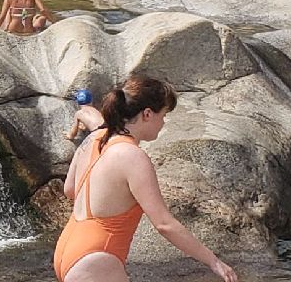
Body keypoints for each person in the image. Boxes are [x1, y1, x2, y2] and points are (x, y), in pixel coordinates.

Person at [54, 75, 238, 282]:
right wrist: (214, 262)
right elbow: (163, 224)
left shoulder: (94, 139)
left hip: (69, 251)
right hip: (97, 260)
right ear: (147, 114)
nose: (163, 123)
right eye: (163, 115)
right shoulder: (132, 157)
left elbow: (69, 190)